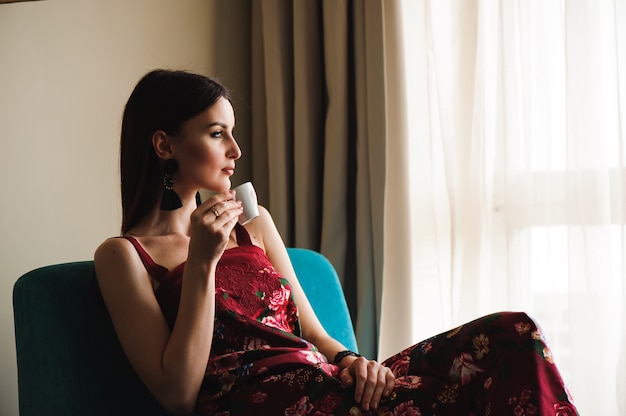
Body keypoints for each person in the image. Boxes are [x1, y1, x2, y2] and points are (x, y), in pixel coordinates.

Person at [94, 69, 579, 416]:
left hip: (326, 381)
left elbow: (315, 333)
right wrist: (202, 262)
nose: (236, 152)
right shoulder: (123, 256)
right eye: (218, 134)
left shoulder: (253, 224)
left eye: (233, 134)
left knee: (512, 336)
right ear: (164, 145)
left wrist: (352, 360)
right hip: (262, 399)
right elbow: (178, 395)